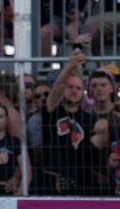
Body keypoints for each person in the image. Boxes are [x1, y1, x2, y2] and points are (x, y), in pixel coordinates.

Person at [40, 48, 94, 193]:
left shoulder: (88, 118)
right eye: (70, 87)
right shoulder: (52, 110)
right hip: (52, 180)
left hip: (81, 181)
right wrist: (69, 66)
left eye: (78, 88)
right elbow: (57, 88)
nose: (74, 91)